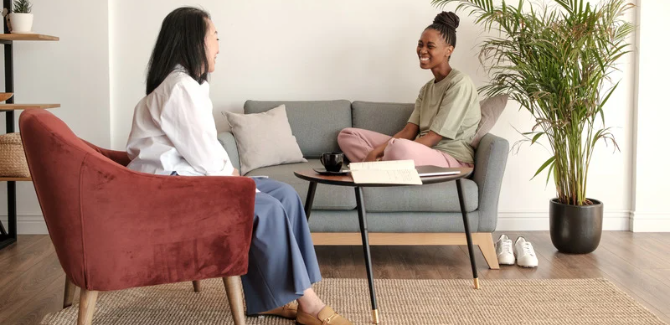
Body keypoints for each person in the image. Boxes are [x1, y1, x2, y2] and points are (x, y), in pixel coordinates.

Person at [126, 7, 351, 325]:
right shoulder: (178, 88)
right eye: (214, 37)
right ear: (194, 41)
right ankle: (309, 304)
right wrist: (234, 177)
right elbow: (204, 157)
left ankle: (276, 297)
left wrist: (233, 175)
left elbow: (202, 153)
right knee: (268, 208)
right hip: (174, 190)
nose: (219, 45)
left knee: (285, 195)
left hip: (191, 180)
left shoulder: (187, 85)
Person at [338, 11, 481, 168]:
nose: (422, 51)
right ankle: (384, 167)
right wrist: (375, 152)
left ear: (449, 50)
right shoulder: (426, 89)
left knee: (398, 147)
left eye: (430, 46)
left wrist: (387, 150)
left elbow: (434, 137)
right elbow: (408, 132)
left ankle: (379, 167)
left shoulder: (460, 83)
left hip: (451, 158)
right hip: (418, 151)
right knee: (348, 135)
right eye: (420, 44)